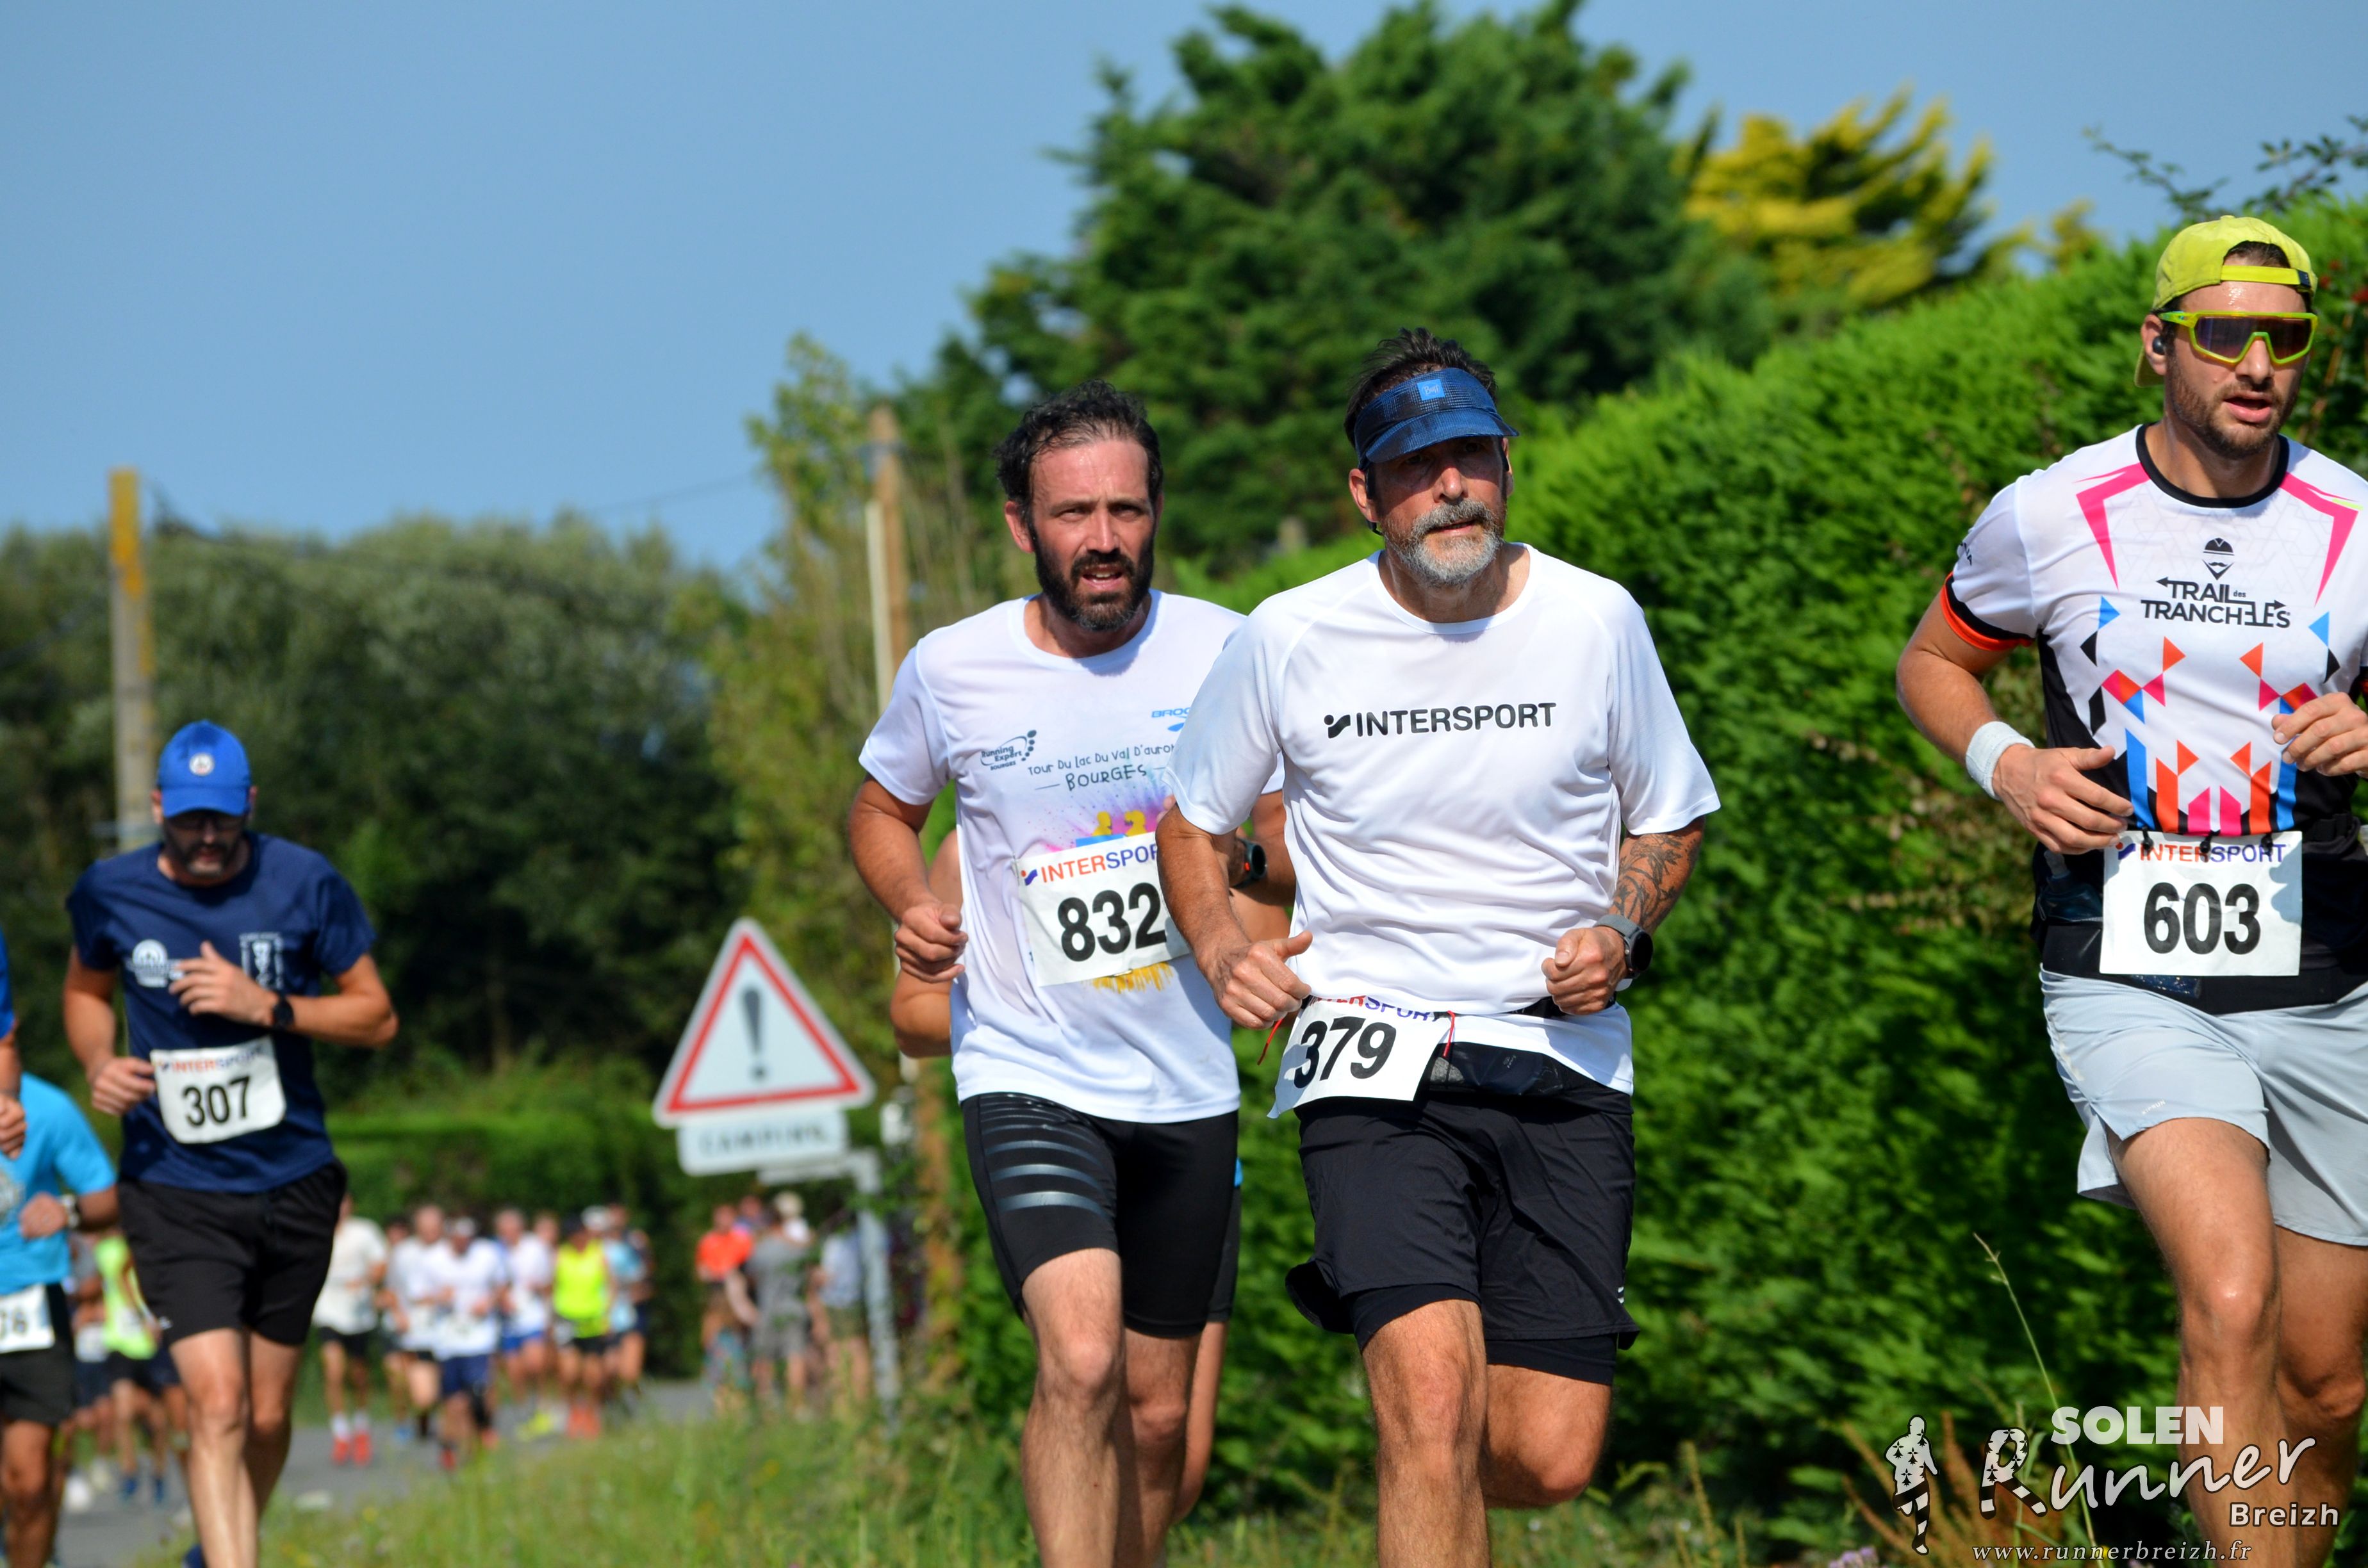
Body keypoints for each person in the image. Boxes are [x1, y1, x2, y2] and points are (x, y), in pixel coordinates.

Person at [1159, 329, 1718, 1568]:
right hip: (1370, 1055)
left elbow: (1670, 811)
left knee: (1547, 1454)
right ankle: (1420, 1468)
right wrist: (1221, 947)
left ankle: (1431, 1493)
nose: (1449, 485)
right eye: (1415, 465)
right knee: (1428, 1403)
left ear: (1507, 461)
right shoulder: (1290, 633)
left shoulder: (1595, 618)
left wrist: (1621, 928)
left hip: (1559, 1058)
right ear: (1367, 494)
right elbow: (1190, 824)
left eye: (1469, 454)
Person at [1895, 215, 2368, 1568]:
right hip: (2124, 962)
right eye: (2225, 335)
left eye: (2284, 338)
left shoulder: (2356, 523)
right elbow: (1932, 661)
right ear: (2160, 344)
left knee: (2328, 1382)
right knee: (2230, 1293)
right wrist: (2006, 765)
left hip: (2326, 968)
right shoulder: (2053, 511)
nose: (2257, 365)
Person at [850, 379, 1292, 1568]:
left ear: (1155, 514)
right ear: (1021, 525)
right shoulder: (954, 668)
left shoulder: (1229, 646)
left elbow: (1291, 831)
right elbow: (881, 809)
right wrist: (910, 907)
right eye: (1073, 514)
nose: (1103, 539)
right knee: (1082, 1358)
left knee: (1160, 1432)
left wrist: (1245, 873)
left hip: (1185, 1082)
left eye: (1125, 510)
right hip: (1028, 1070)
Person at [60, 719, 398, 1568]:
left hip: (293, 1179)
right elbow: (84, 991)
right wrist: (99, 1062)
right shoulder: (109, 891)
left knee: (269, 1416)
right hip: (172, 1185)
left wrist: (270, 1007)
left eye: (222, 817)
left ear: (249, 804)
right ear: (157, 808)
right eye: (188, 819)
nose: (206, 837)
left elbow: (377, 1016)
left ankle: (213, 1553)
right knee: (217, 1404)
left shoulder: (304, 882)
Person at [892, 828, 1263, 1517]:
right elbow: (912, 1015)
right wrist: (1039, 1019)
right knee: (1088, 1378)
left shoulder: (1198, 815)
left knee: (1170, 1446)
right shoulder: (976, 842)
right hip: (1055, 1124)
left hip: (1185, 1131)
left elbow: (1265, 956)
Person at [0, 1004, 121, 1568]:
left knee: (29, 1482)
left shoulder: (48, 1108)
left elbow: (106, 1197)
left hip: (31, 1305)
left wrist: (67, 1211)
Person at [94, 1230, 179, 1507]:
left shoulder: (151, 1240)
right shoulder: (104, 1249)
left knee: (157, 1421)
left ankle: (158, 1473)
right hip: (119, 1342)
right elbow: (103, 1281)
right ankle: (129, 1472)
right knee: (123, 1412)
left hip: (150, 1344)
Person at [423, 1214, 506, 1468]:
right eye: (458, 1238)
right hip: (448, 1340)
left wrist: (489, 1302)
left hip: (480, 1337)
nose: (463, 1243)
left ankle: (478, 1441)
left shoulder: (487, 1254)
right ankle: (451, 1447)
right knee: (454, 1401)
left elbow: (502, 1286)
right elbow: (417, 1296)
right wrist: (439, 1298)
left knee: (479, 1393)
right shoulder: (432, 1259)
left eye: (467, 1238)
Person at [311, 1193, 386, 1466]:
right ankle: (340, 1431)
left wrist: (366, 1281)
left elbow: (380, 1265)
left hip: (358, 1313)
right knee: (333, 1371)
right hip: (328, 1310)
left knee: (359, 1374)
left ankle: (362, 1426)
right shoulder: (315, 1232)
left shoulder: (364, 1232)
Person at [743, 1194, 814, 1417]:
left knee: (764, 1359)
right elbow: (809, 1272)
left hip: (767, 1309)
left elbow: (751, 1278)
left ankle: (768, 1407)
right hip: (793, 1306)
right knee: (796, 1356)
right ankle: (797, 1407)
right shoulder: (796, 1248)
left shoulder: (760, 1250)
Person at [384, 1205, 446, 1445]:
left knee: (434, 1391)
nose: (430, 1232)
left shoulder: (450, 1251)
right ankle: (414, 1421)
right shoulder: (403, 1253)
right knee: (414, 1389)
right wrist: (399, 1315)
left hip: (444, 1332)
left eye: (435, 1228)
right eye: (425, 1228)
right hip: (412, 1331)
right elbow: (391, 1289)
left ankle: (439, 1423)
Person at [494, 1207, 556, 1438]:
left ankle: (542, 1406)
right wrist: (501, 1298)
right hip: (508, 1321)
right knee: (514, 1371)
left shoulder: (535, 1248)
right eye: (504, 1231)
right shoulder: (495, 1251)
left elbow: (548, 1284)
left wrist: (549, 1316)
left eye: (512, 1229)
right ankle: (524, 1412)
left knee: (535, 1364)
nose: (508, 1234)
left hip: (532, 1316)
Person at [551, 1211, 611, 1438]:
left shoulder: (598, 1254)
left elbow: (610, 1285)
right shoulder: (561, 1256)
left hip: (593, 1320)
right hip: (567, 1319)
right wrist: (551, 1318)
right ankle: (574, 1410)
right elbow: (552, 1287)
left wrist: (608, 1315)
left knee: (593, 1376)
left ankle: (593, 1413)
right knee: (569, 1373)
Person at [600, 1206, 648, 1412]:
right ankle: (617, 1408)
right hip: (604, 1317)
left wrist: (634, 1294)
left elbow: (642, 1278)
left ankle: (639, 1398)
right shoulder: (595, 1251)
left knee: (629, 1372)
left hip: (627, 1314)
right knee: (610, 1369)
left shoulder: (630, 1247)